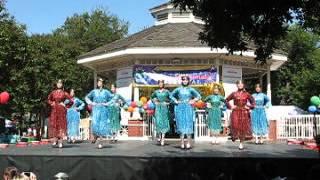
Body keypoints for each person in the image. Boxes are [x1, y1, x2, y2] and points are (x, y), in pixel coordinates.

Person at [170, 76, 201, 149]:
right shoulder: (178, 89)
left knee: (188, 124)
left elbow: (199, 96)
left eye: (186, 80)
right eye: (183, 80)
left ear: (188, 81)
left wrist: (193, 100)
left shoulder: (191, 89)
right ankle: (182, 142)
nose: (185, 81)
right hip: (180, 107)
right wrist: (176, 101)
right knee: (181, 124)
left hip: (188, 107)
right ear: (182, 81)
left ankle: (188, 142)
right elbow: (171, 96)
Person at [226, 80, 255, 150]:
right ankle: (236, 137)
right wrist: (231, 106)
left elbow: (253, 101)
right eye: (238, 84)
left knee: (243, 127)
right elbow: (226, 100)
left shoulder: (247, 94)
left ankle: (241, 143)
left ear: (243, 85)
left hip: (244, 112)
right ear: (237, 85)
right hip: (235, 112)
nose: (240, 85)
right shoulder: (234, 93)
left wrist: (249, 106)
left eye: (241, 84)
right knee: (235, 126)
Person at [85, 78, 112, 149]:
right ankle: (95, 136)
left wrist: (108, 103)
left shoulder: (106, 92)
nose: (99, 83)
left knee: (102, 125)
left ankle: (100, 142)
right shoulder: (94, 91)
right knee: (95, 124)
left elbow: (113, 97)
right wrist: (91, 103)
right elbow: (86, 97)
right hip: (96, 109)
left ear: (102, 83)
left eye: (101, 82)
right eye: (98, 82)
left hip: (103, 109)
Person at [47, 79, 71, 148]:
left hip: (61, 110)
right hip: (54, 110)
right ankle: (55, 139)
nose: (59, 84)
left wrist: (65, 104)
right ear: (56, 84)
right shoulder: (53, 92)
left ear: (62, 84)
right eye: (58, 83)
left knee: (61, 124)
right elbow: (48, 99)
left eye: (60, 83)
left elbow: (71, 100)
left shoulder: (64, 93)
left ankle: (60, 141)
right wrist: (52, 103)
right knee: (54, 124)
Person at [151, 80, 171, 146]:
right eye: (159, 83)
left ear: (163, 84)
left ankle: (163, 138)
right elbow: (152, 97)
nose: (160, 84)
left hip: (164, 108)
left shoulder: (167, 91)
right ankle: (159, 136)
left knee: (164, 122)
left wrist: (168, 103)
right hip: (158, 107)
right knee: (158, 121)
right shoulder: (156, 92)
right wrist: (154, 101)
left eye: (161, 83)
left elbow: (172, 98)